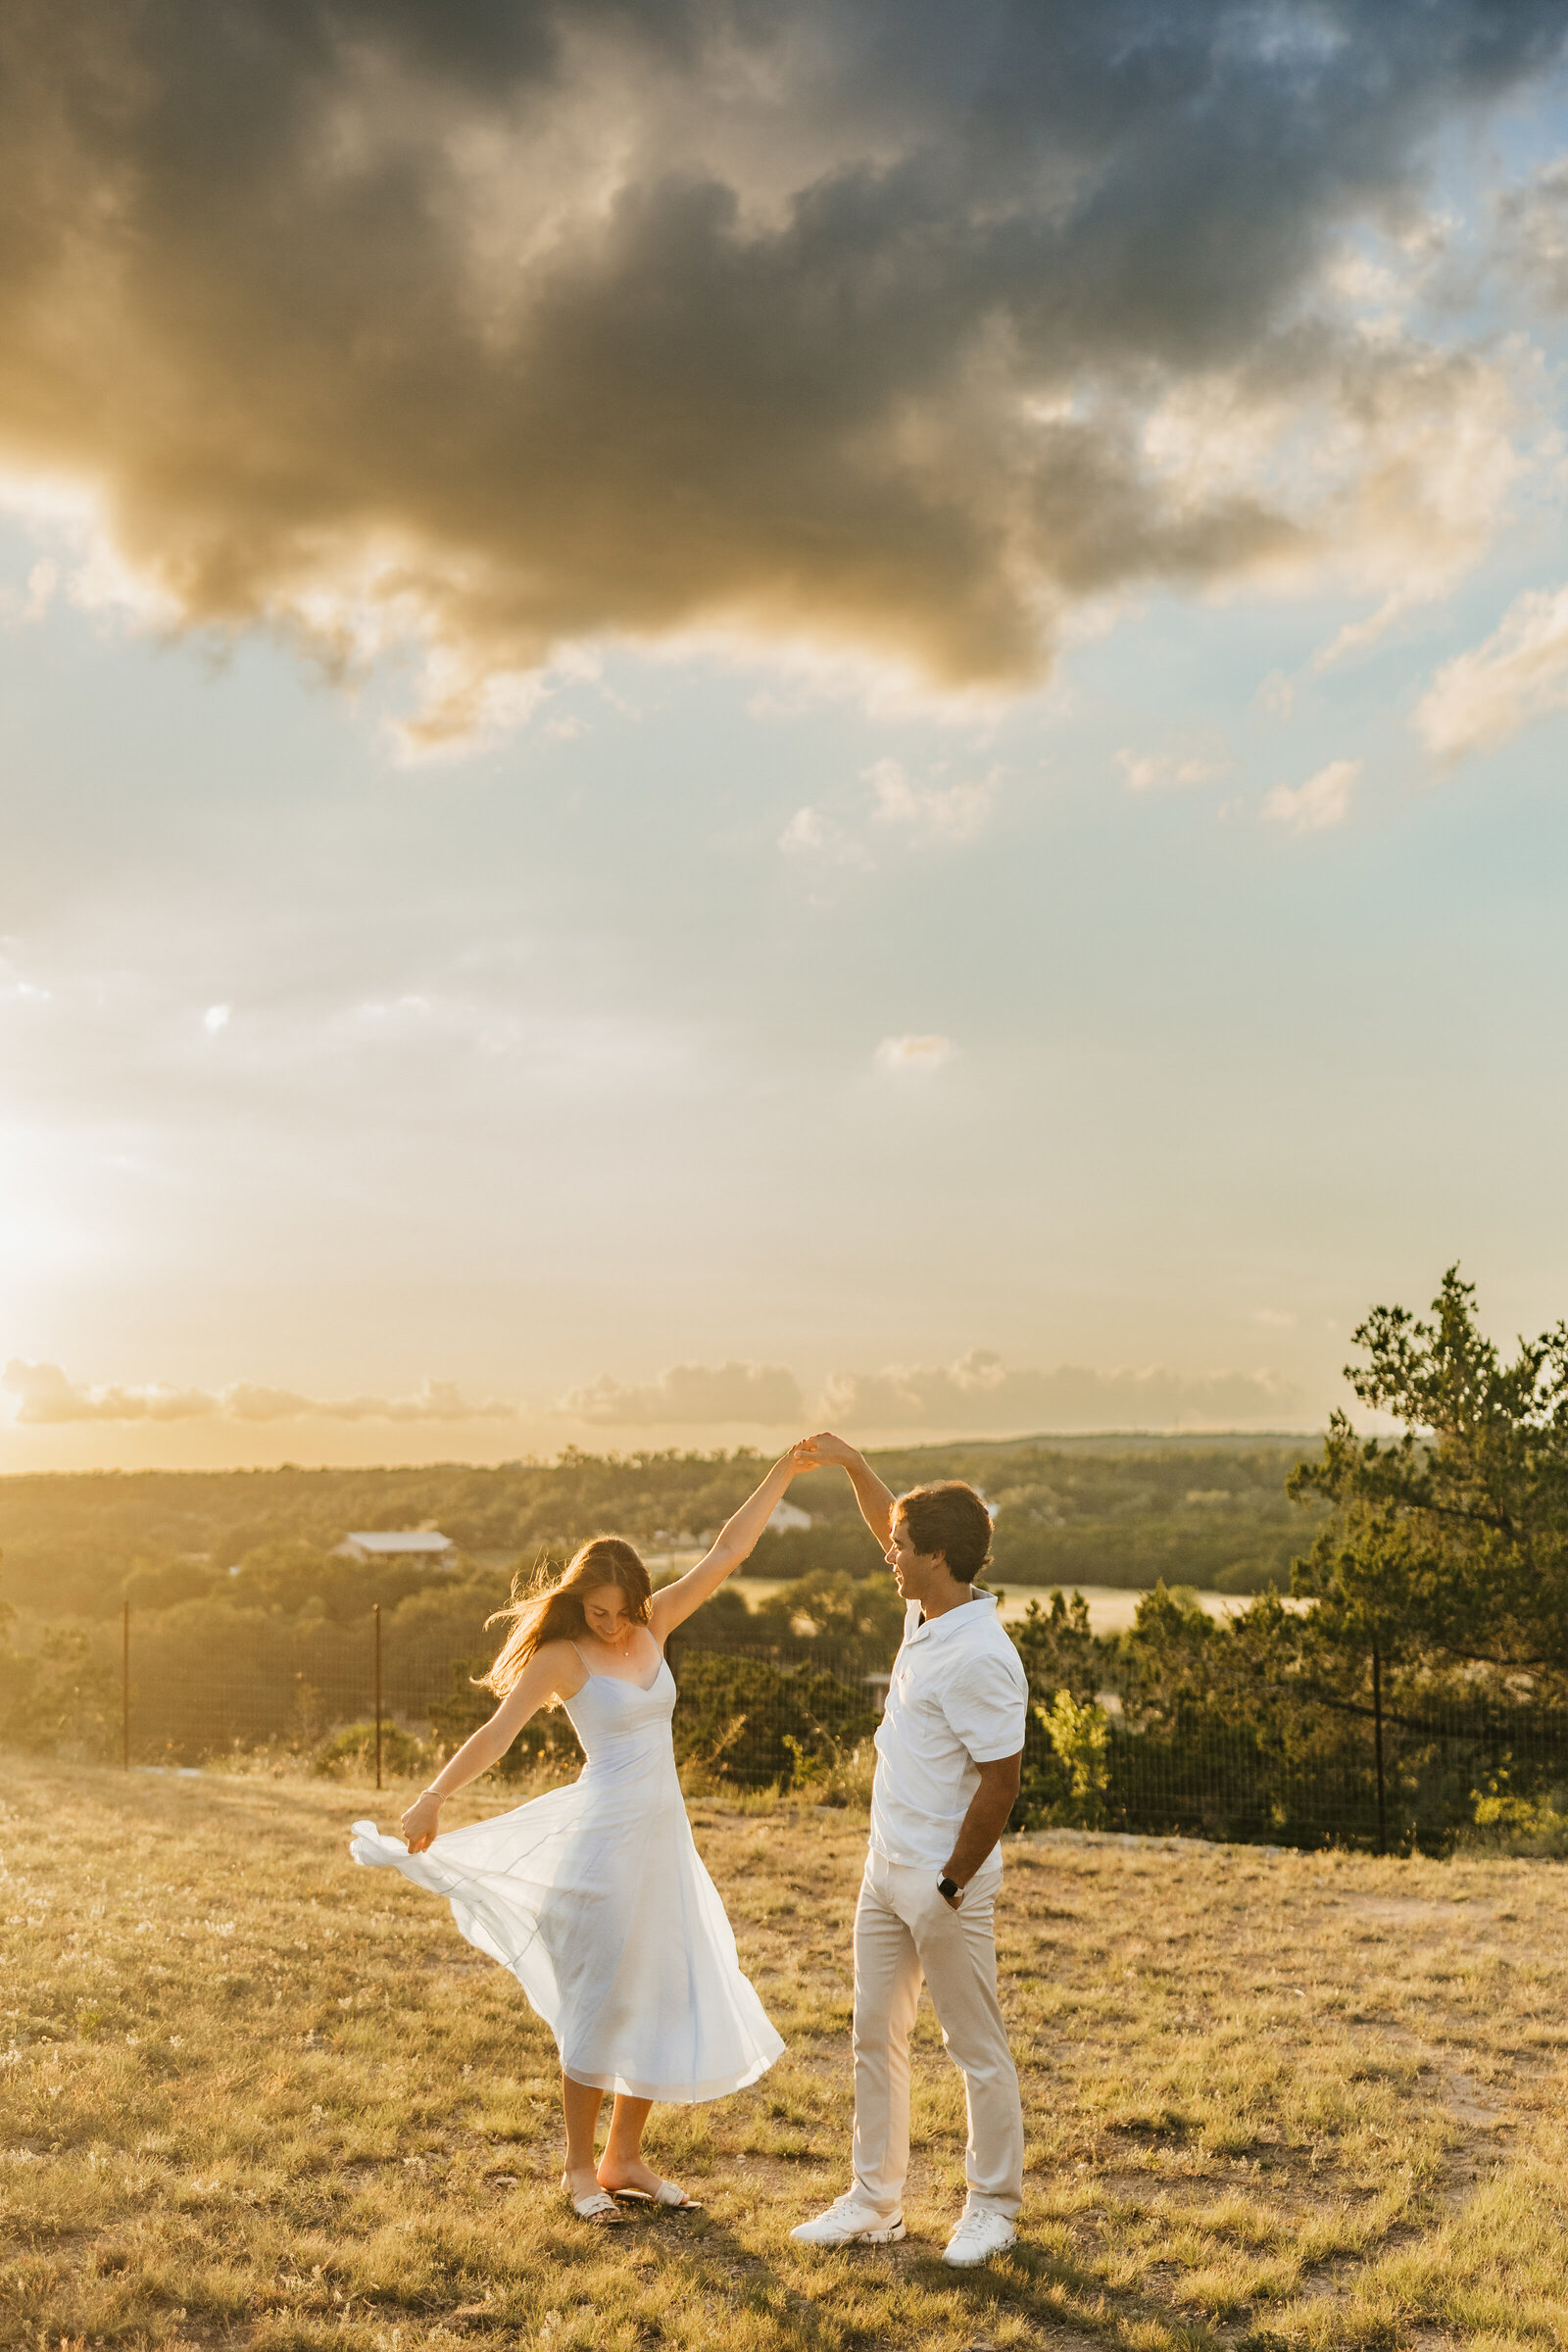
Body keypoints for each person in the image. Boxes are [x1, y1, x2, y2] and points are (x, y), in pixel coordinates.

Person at [350, 1446, 815, 2226]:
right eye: (594, 1611)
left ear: (637, 1594)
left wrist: (786, 1473)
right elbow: (497, 1735)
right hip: (600, 1844)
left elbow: (730, 1549)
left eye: (616, 1608)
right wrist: (433, 1797)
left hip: (664, 1845)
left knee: (661, 1992)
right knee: (599, 2001)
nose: (607, 1622)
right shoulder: (564, 1657)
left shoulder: (657, 1621)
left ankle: (624, 2157)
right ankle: (577, 2167)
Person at [790, 1436, 1028, 2268]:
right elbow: (883, 1523)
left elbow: (1002, 1779)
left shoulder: (982, 1655)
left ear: (937, 1558)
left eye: (901, 1547)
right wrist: (856, 1466)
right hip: (882, 1872)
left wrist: (954, 1881)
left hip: (942, 1885)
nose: (887, 1554)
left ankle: (993, 2207)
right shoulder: (927, 1610)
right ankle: (874, 2202)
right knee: (873, 2036)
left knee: (975, 2048)